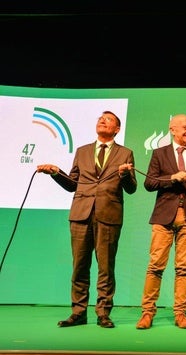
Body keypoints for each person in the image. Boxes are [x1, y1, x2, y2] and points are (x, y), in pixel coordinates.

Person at [36, 110, 137, 328]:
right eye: (101, 118)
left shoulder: (125, 153)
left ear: (117, 129)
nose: (103, 120)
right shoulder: (82, 152)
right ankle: (79, 312)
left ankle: (103, 313)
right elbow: (72, 183)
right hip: (81, 214)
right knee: (79, 266)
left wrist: (124, 174)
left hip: (108, 215)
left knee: (106, 267)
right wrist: (55, 172)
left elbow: (131, 189)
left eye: (109, 119)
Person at [136, 114, 186, 330]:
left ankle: (180, 314)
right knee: (155, 266)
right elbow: (149, 183)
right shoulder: (159, 154)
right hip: (163, 217)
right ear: (172, 129)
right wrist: (171, 178)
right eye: (185, 127)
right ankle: (147, 312)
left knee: (184, 268)